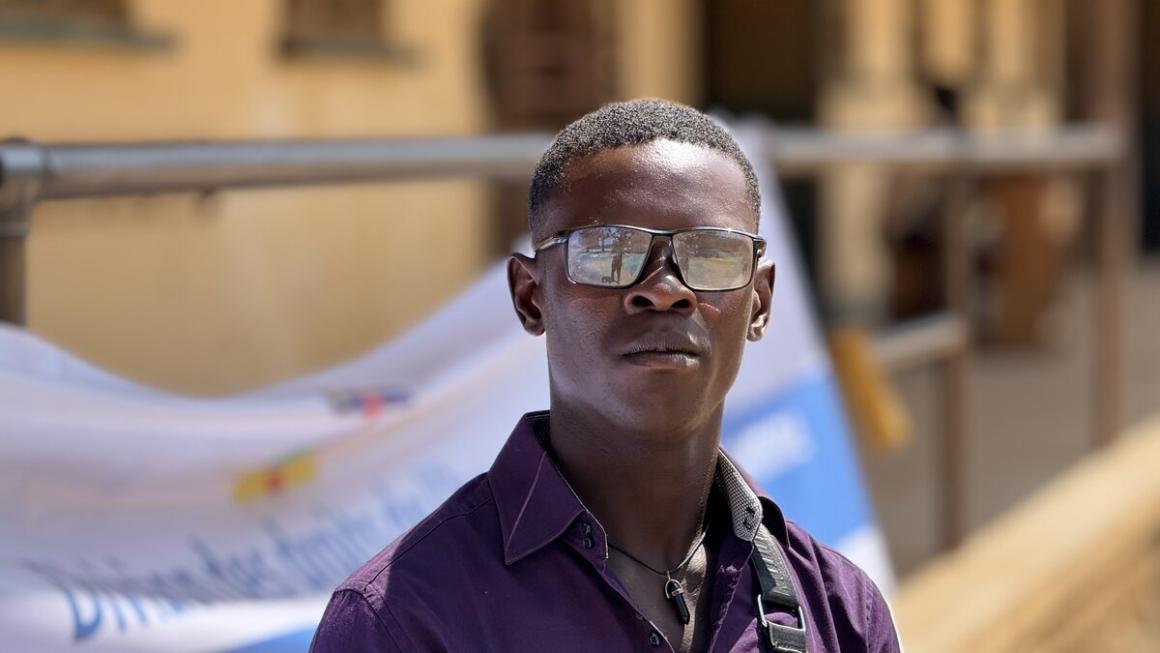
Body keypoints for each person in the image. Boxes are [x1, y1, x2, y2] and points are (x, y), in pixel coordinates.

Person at [310, 99, 901, 652]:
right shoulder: (403, 620)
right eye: (608, 251)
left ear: (760, 301)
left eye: (711, 254)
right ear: (530, 296)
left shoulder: (837, 608)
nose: (665, 290)